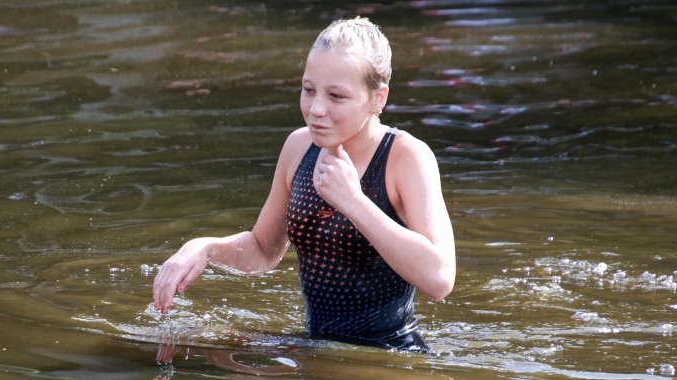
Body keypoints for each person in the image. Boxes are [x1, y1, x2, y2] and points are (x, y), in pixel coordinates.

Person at [151, 17, 455, 352]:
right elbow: (264, 249)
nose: (316, 110)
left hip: (388, 359)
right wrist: (204, 248)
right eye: (309, 90)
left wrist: (354, 201)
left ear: (378, 98)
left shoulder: (405, 157)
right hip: (316, 354)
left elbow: (440, 279)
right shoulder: (299, 147)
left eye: (336, 96)